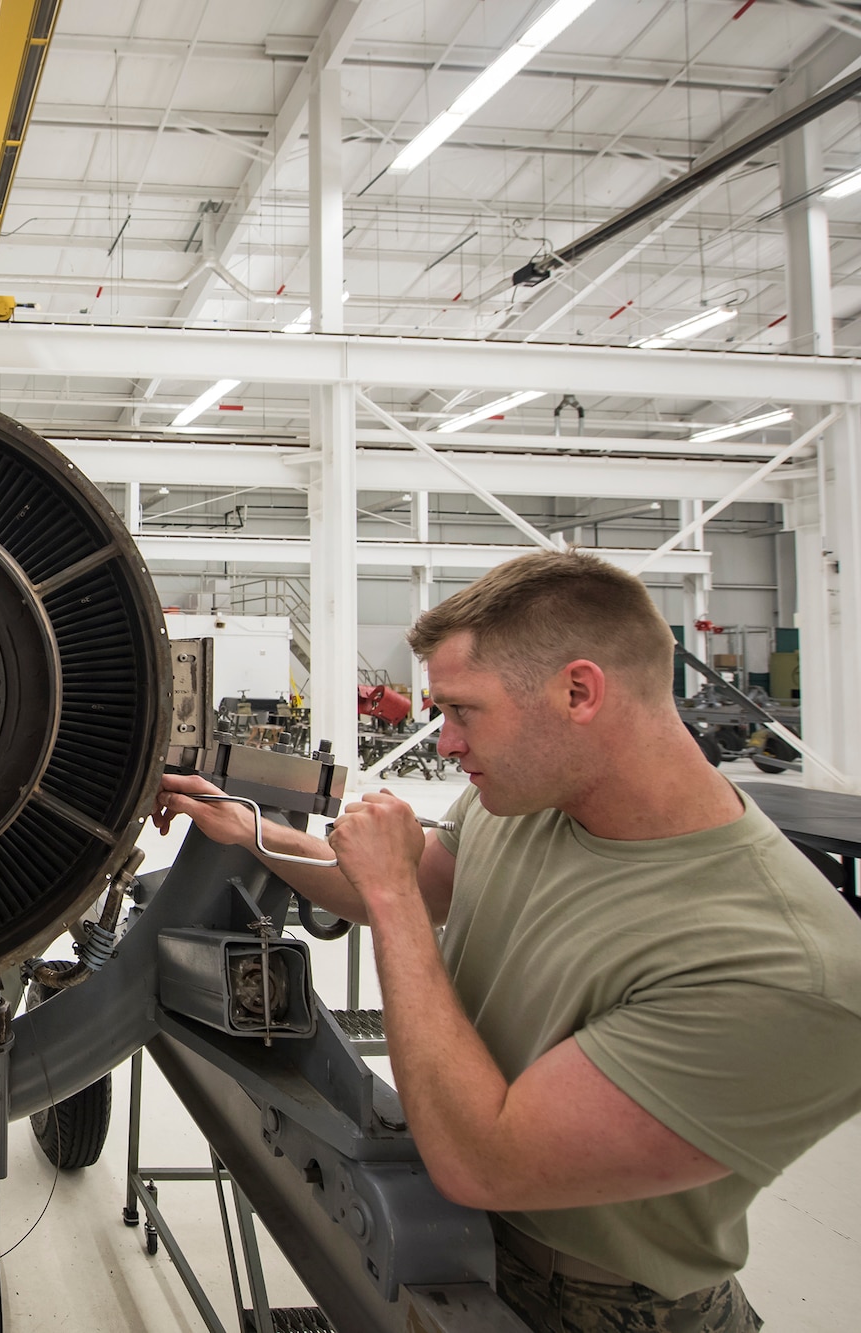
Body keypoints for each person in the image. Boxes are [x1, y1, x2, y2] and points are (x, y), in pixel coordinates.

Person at [156, 550, 861, 1333]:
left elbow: (486, 1159)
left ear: (578, 691)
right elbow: (406, 877)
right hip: (452, 1236)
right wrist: (250, 828)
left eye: (464, 711)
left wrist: (391, 900)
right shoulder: (527, 802)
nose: (447, 742)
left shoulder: (786, 964)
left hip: (597, 1304)